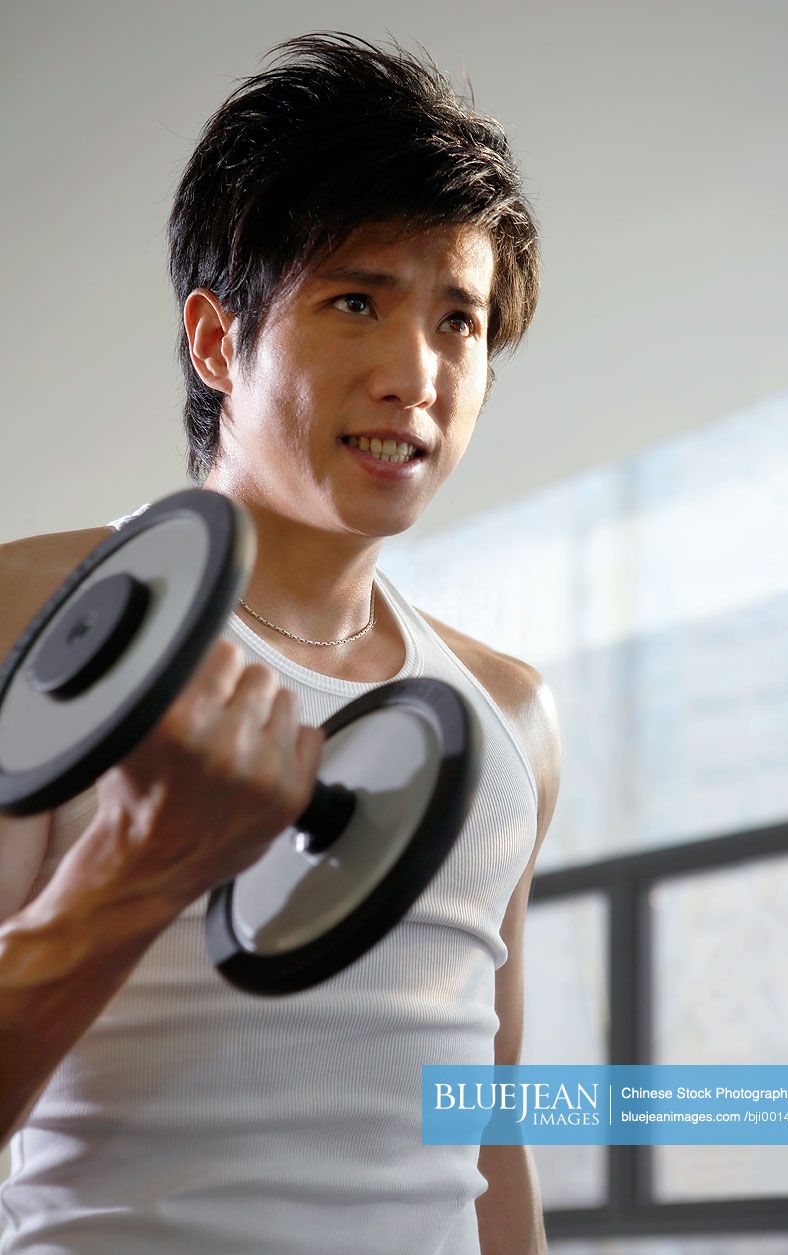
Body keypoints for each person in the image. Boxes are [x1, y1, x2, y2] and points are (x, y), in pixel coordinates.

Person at [0, 31, 560, 1255]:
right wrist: (132, 876)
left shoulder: (509, 715)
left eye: (459, 321)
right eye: (356, 299)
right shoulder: (30, 617)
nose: (418, 371)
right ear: (216, 340)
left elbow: (485, 1130)